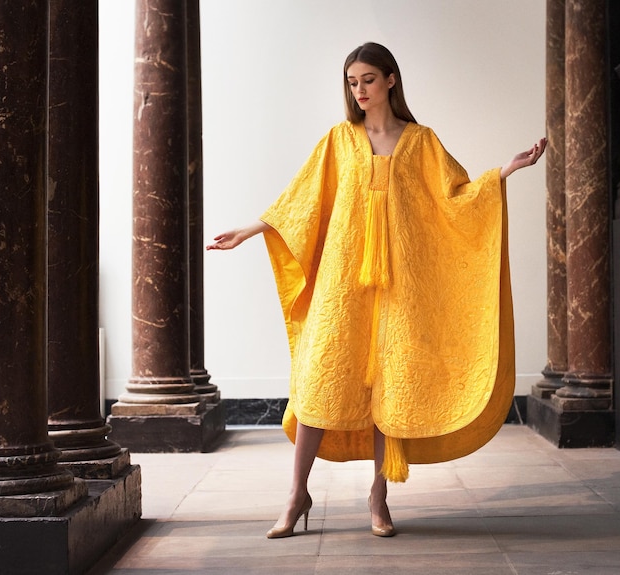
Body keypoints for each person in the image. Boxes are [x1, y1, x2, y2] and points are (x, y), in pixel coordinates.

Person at [207, 42, 546, 539]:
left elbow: (456, 198)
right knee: (319, 382)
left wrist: (504, 172)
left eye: (367, 79)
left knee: (390, 384)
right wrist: (250, 229)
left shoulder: (422, 141)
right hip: (342, 285)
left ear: (391, 80)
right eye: (351, 82)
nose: (359, 90)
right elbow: (300, 200)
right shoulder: (338, 141)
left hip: (401, 286)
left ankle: (378, 495)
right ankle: (298, 494)